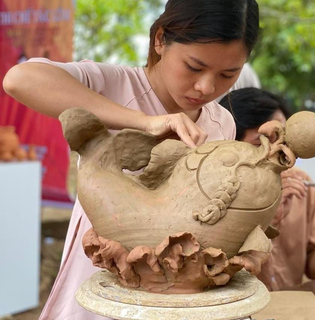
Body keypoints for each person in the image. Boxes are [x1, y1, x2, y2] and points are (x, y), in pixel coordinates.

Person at [2, 1, 259, 319]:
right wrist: (144, 122)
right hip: (103, 289)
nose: (206, 87)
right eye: (194, 67)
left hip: (175, 297)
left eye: (227, 74)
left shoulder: (222, 123)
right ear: (160, 40)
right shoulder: (111, 87)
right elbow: (19, 79)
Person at [219, 87, 315, 291]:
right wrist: (267, 218)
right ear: (230, 144)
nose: (280, 153)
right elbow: (214, 272)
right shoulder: (217, 195)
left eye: (285, 142)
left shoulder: (301, 186)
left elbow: (313, 267)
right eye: (261, 143)